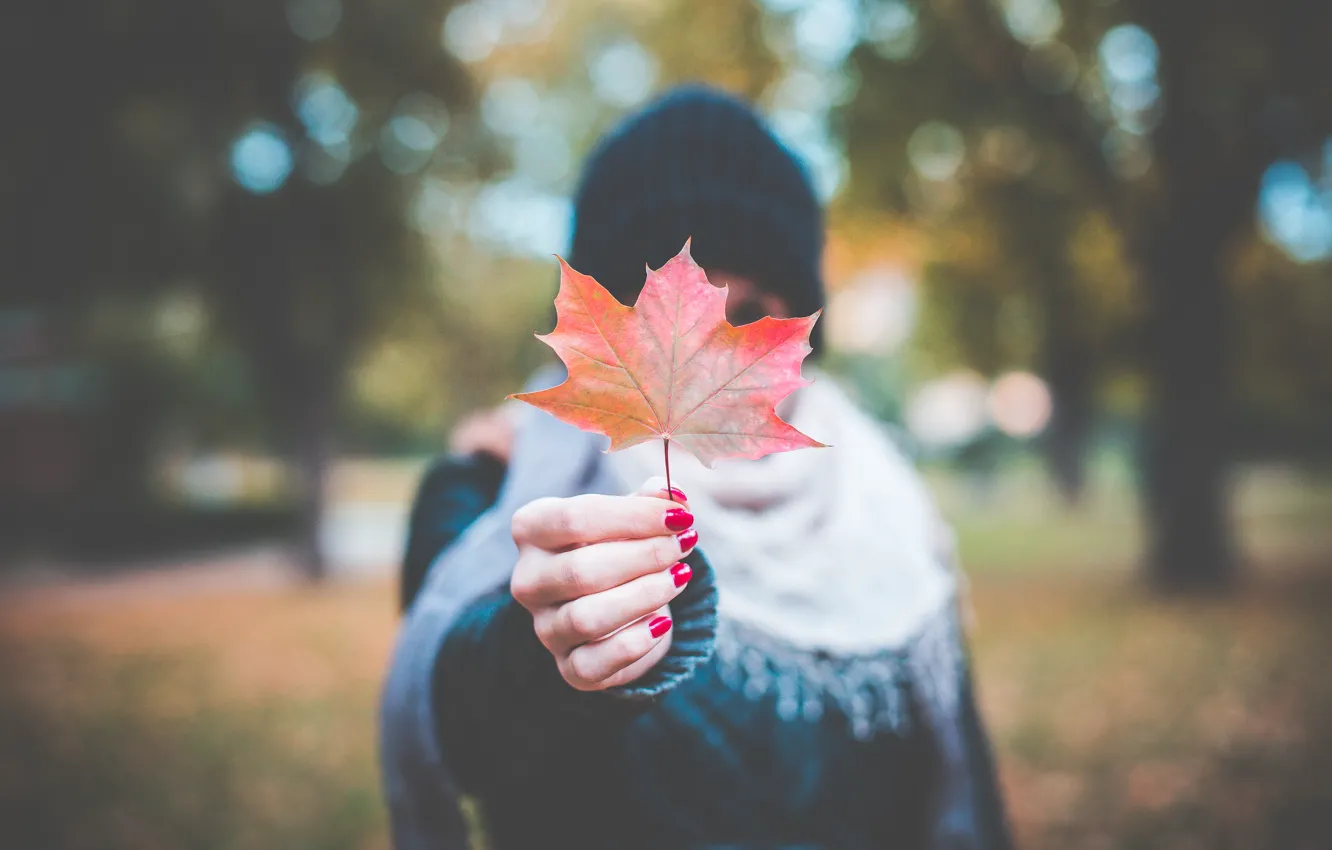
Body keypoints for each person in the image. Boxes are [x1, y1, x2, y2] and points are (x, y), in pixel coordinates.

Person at [381, 85, 1012, 850]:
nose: (707, 358)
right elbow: (464, 724)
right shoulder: (492, 490)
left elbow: (963, 788)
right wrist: (554, 645)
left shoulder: (885, 504)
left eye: (747, 317)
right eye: (662, 319)